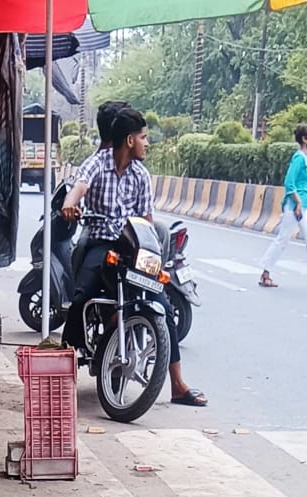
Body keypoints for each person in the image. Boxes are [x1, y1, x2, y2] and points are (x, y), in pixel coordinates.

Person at [61, 107, 207, 407]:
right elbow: (79, 186)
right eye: (143, 138)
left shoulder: (141, 175)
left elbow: (146, 220)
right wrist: (70, 204)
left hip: (133, 248)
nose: (147, 143)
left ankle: (177, 385)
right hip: (102, 244)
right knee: (81, 297)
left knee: (164, 307)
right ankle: (63, 363)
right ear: (129, 140)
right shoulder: (97, 163)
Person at [258, 124, 307, 291]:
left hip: (303, 205)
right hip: (295, 206)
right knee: (282, 240)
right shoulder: (299, 158)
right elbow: (289, 182)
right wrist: (297, 203)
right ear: (304, 139)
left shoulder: (305, 158)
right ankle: (265, 272)